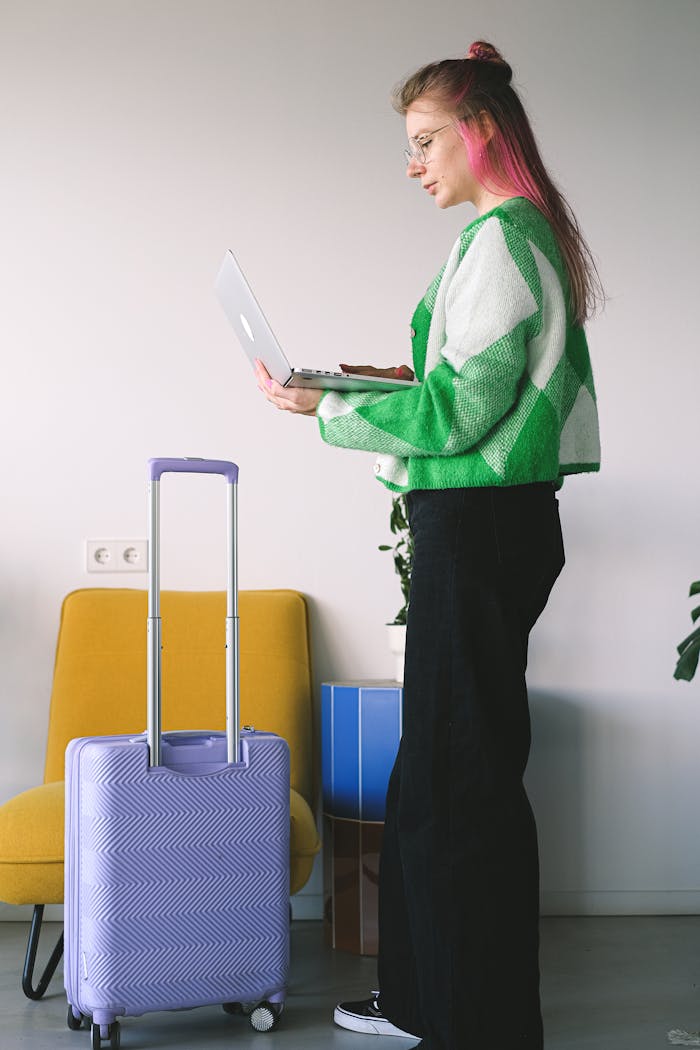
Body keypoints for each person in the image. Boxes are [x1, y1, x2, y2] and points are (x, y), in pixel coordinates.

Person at [255, 40, 601, 1050]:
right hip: (477, 526)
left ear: (479, 129)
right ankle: (422, 1001)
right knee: (443, 773)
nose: (413, 165)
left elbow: (455, 416)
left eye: (423, 143)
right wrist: (361, 382)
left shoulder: (504, 241)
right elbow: (453, 385)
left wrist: (327, 411)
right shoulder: (498, 237)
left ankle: (468, 1018)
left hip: (479, 528)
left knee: (460, 780)